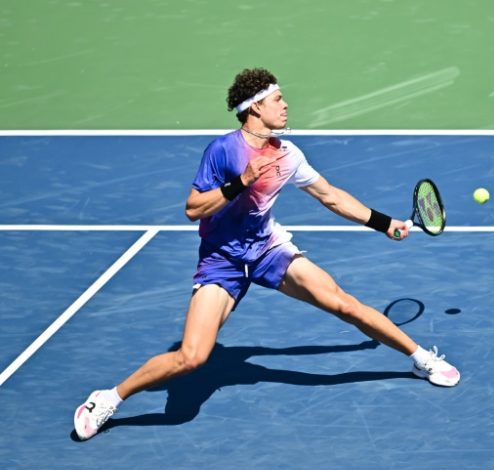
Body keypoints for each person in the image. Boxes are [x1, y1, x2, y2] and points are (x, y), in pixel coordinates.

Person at [73, 68, 460, 441]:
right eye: (278, 99)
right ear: (255, 107)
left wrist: (384, 223)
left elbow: (331, 196)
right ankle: (107, 399)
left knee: (343, 304)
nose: (286, 105)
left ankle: (421, 358)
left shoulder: (288, 154)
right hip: (222, 261)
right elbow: (193, 209)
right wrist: (240, 182)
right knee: (191, 357)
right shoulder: (224, 150)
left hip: (268, 249)